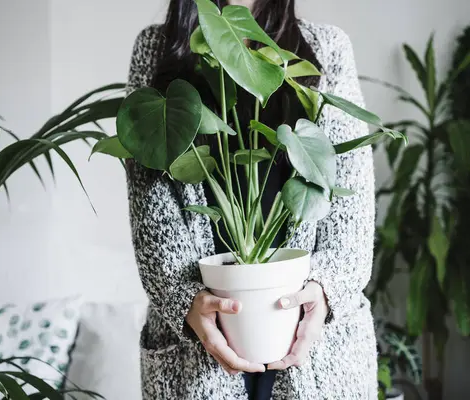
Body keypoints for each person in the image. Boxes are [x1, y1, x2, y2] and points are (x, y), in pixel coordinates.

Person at [125, 0, 377, 399]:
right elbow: (149, 194)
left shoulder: (324, 47)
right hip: (197, 342)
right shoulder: (157, 48)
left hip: (315, 342)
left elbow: (350, 196)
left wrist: (326, 292)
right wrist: (184, 301)